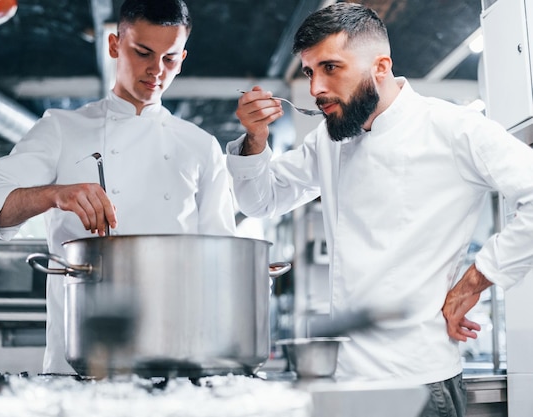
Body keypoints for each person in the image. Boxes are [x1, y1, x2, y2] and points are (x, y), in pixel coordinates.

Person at [227, 3, 533, 416]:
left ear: (380, 66)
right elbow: (261, 200)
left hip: (418, 382)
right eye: (309, 72)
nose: (316, 87)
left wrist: (477, 280)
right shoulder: (329, 141)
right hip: (348, 381)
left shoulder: (453, 128)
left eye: (330, 67)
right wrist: (255, 140)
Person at [0, 0, 236, 374]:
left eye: (169, 58)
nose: (155, 70)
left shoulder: (201, 146)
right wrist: (54, 195)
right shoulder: (62, 128)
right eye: (143, 52)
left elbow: (222, 264)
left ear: (182, 57)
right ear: (114, 45)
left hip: (176, 362)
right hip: (76, 362)